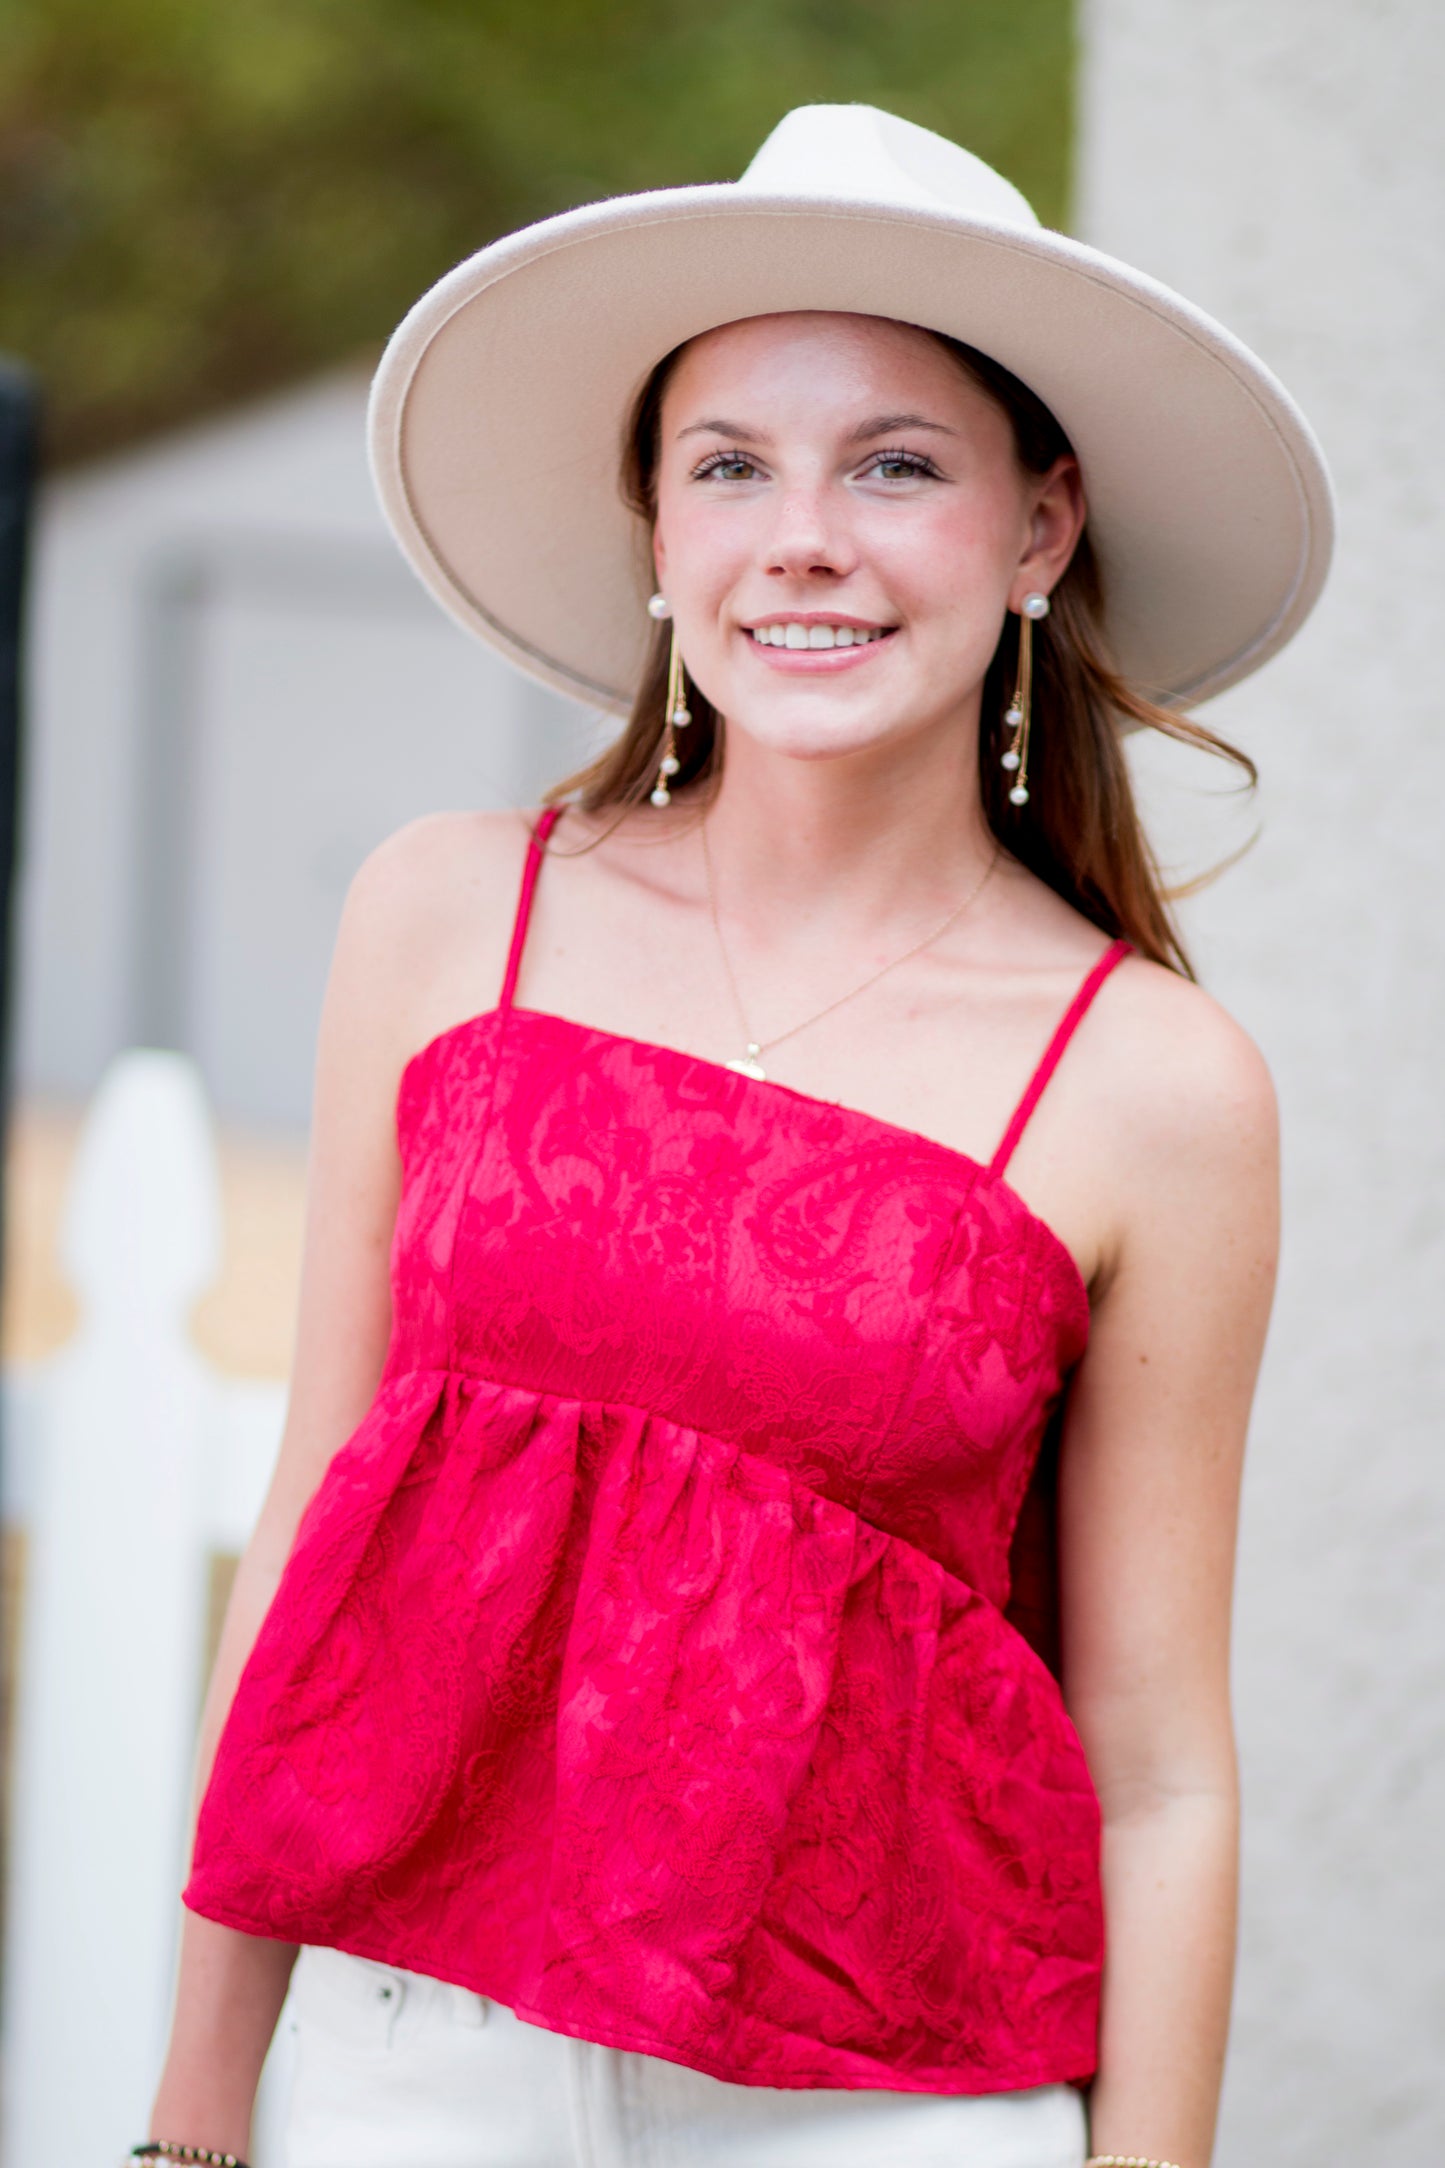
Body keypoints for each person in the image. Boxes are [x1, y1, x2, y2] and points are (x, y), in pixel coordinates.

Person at [139, 105, 1332, 2168]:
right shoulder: (448, 915)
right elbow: (318, 1537)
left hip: (889, 2110)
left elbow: (1157, 1773)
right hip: (422, 2052)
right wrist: (194, 2100)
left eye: (895, 463)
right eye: (730, 467)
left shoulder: (1151, 1086)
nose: (804, 536)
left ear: (1040, 529)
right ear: (660, 536)